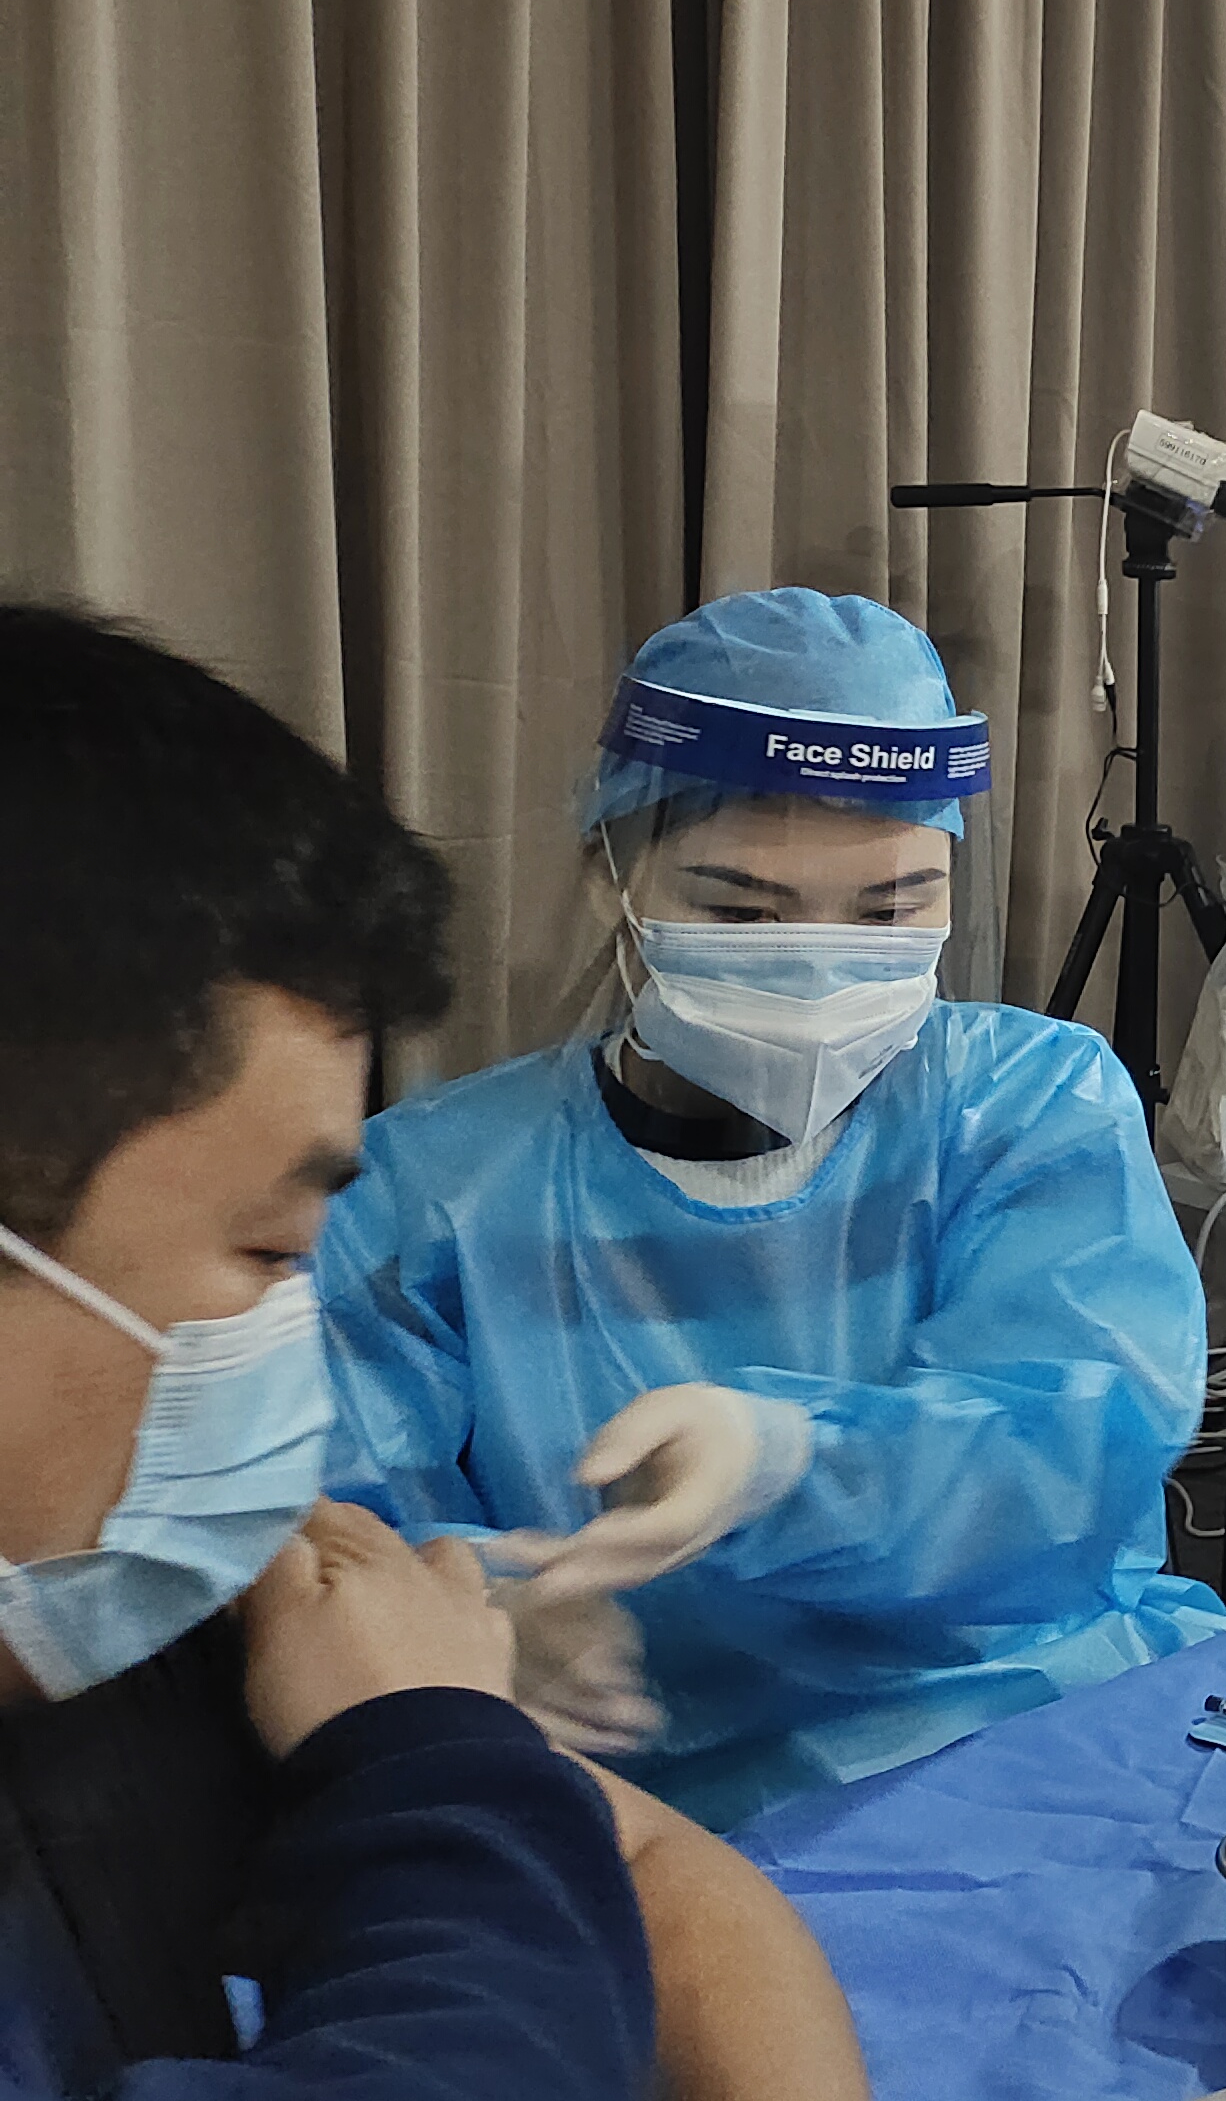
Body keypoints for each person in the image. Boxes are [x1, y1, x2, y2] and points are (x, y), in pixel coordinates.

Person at [0, 598, 863, 2096]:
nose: (290, 1342)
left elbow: (660, 1887)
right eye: (266, 1251)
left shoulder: (132, 1592)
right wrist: (432, 1750)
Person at [318, 587, 1226, 1831]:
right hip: (654, 1801)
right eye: (741, 913)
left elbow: (1079, 1438)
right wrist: (481, 1614)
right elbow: (342, 1525)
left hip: (1032, 1730)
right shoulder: (430, 1193)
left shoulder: (1026, 1104)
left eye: (890, 911)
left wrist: (786, 1460)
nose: (816, 966)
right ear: (612, 879)